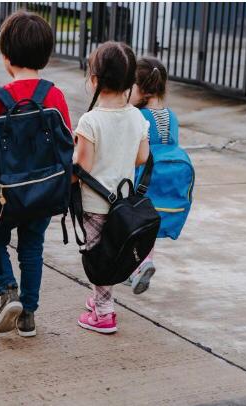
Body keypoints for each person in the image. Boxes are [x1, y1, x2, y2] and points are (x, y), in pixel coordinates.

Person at [0, 11, 72, 337]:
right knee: (32, 248)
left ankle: (8, 291)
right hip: (44, 191)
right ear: (46, 56)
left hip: (4, 194)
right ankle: (29, 316)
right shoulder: (54, 95)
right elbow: (67, 138)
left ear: (6, 57)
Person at [73, 41, 150, 334]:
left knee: (99, 256)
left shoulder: (90, 121)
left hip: (95, 204)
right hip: (125, 203)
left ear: (94, 80)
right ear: (131, 82)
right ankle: (99, 298)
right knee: (112, 252)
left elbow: (83, 166)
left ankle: (104, 313)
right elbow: (142, 156)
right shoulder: (137, 117)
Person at [126, 57, 188, 294]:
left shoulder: (138, 117)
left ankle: (136, 266)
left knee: (130, 225)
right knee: (148, 227)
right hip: (161, 182)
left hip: (139, 180)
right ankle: (145, 264)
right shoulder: (172, 117)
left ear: (140, 89)